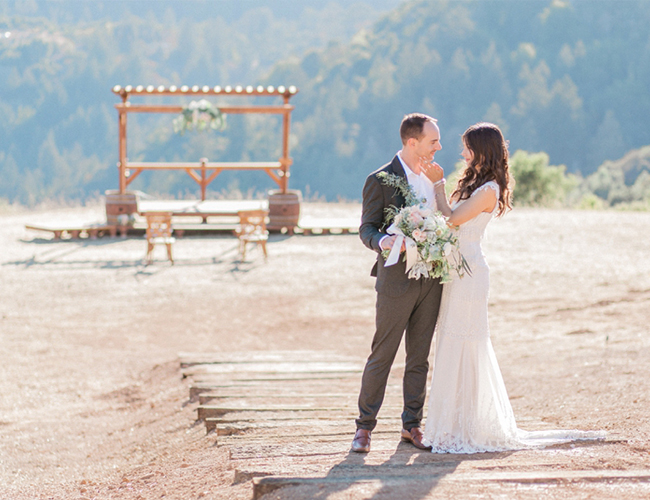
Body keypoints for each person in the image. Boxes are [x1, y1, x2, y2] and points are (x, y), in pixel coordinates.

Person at [420, 122, 604, 453]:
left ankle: (468, 426)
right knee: (449, 340)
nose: (462, 153)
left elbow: (452, 218)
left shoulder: (489, 189)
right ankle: (448, 425)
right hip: (455, 271)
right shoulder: (475, 182)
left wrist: (437, 185)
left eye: (467, 148)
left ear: (481, 151)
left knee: (466, 342)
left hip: (470, 272)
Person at [352, 113, 444, 453]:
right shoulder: (380, 179)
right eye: (433, 141)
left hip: (432, 279)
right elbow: (367, 228)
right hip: (395, 279)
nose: (438, 147)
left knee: (419, 357)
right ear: (412, 142)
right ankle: (364, 428)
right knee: (383, 354)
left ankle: (412, 425)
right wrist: (381, 242)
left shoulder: (435, 177)